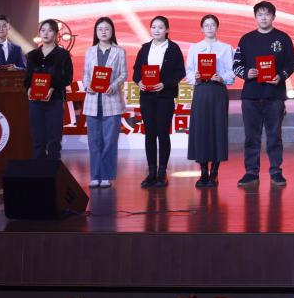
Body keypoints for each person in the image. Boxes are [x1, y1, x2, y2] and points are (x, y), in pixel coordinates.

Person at [233, 0, 294, 187]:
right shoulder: (246, 39)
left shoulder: (282, 38)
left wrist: (281, 76)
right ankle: (251, 172)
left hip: (274, 95)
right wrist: (246, 73)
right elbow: (236, 65)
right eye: (260, 15)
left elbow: (291, 63)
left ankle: (276, 171)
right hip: (250, 96)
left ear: (273, 17)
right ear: (255, 17)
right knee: (251, 136)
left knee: (274, 136)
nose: (263, 18)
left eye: (267, 14)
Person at [132, 15, 185, 188]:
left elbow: (180, 72)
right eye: (154, 27)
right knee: (149, 134)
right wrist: (139, 81)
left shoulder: (173, 48)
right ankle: (151, 172)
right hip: (147, 96)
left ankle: (162, 172)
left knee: (162, 133)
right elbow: (136, 70)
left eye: (160, 27)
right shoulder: (145, 48)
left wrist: (165, 84)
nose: (156, 30)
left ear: (167, 30)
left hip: (165, 96)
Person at [185, 14, 236, 188]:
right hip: (201, 90)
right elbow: (188, 71)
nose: (209, 28)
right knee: (201, 130)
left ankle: (214, 171)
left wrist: (221, 77)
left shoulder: (226, 48)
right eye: (206, 25)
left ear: (217, 27)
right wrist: (195, 77)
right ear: (201, 28)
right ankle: (203, 171)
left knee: (217, 129)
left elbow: (232, 72)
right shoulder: (194, 48)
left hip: (218, 91)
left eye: (212, 25)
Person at [81, 17, 127, 188]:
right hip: (93, 101)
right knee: (94, 142)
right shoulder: (90, 51)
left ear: (112, 31)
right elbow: (86, 74)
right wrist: (87, 85)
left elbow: (123, 74)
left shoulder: (119, 51)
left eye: (107, 29)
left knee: (109, 142)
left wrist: (113, 86)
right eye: (100, 29)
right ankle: (95, 175)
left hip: (112, 101)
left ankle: (106, 175)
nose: (103, 32)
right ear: (96, 32)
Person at [24, 19, 73, 160]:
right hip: (35, 102)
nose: (46, 33)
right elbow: (28, 77)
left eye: (50, 30)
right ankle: (38, 169)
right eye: (43, 30)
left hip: (55, 101)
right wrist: (28, 88)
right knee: (37, 138)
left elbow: (68, 78)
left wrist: (53, 87)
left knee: (54, 139)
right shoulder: (32, 55)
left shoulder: (63, 55)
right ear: (39, 33)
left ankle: (53, 168)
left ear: (56, 34)